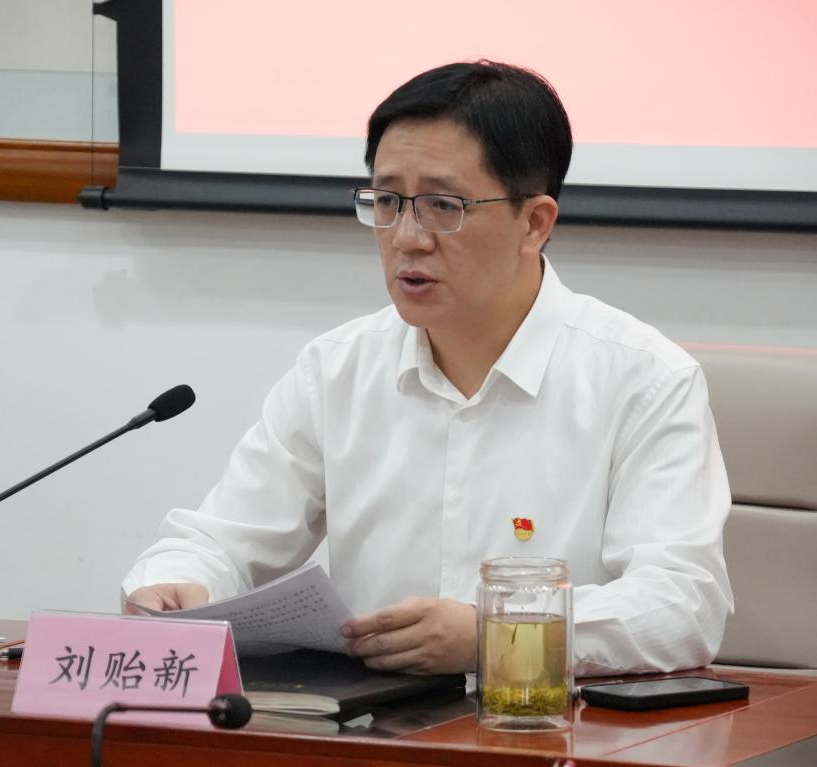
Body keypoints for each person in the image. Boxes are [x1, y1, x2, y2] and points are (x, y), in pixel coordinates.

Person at [122, 60, 733, 677]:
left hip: (550, 721)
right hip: (372, 719)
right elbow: (223, 540)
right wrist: (175, 582)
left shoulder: (644, 381)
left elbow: (683, 605)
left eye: (443, 205)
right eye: (388, 201)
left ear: (534, 223)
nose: (408, 237)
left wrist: (499, 633)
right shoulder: (336, 371)